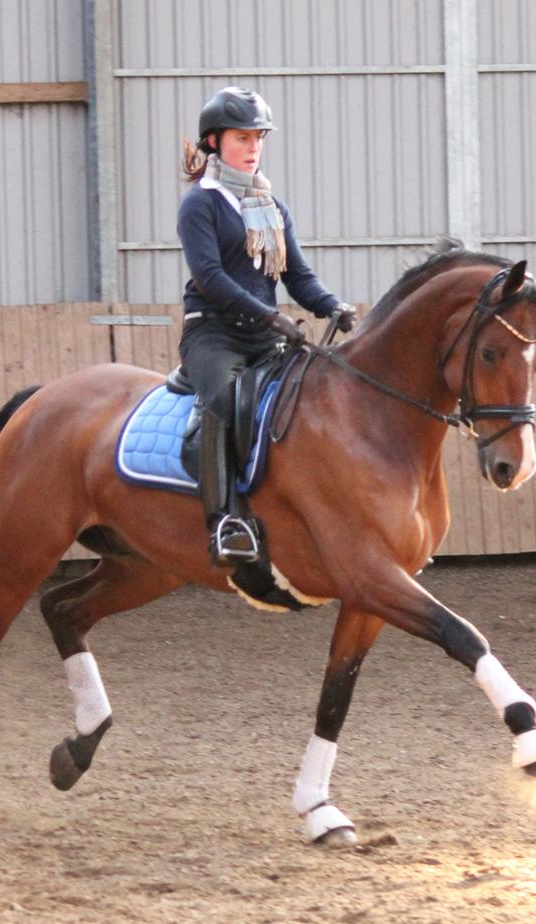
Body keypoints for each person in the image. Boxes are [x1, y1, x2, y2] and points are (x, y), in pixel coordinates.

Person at [177, 86, 355, 566]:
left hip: (266, 335)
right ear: (214, 142)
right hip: (214, 333)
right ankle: (225, 522)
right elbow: (210, 278)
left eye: (258, 138)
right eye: (242, 138)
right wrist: (269, 315)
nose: (253, 147)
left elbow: (296, 275)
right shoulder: (201, 204)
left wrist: (331, 304)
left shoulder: (272, 206)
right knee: (220, 403)